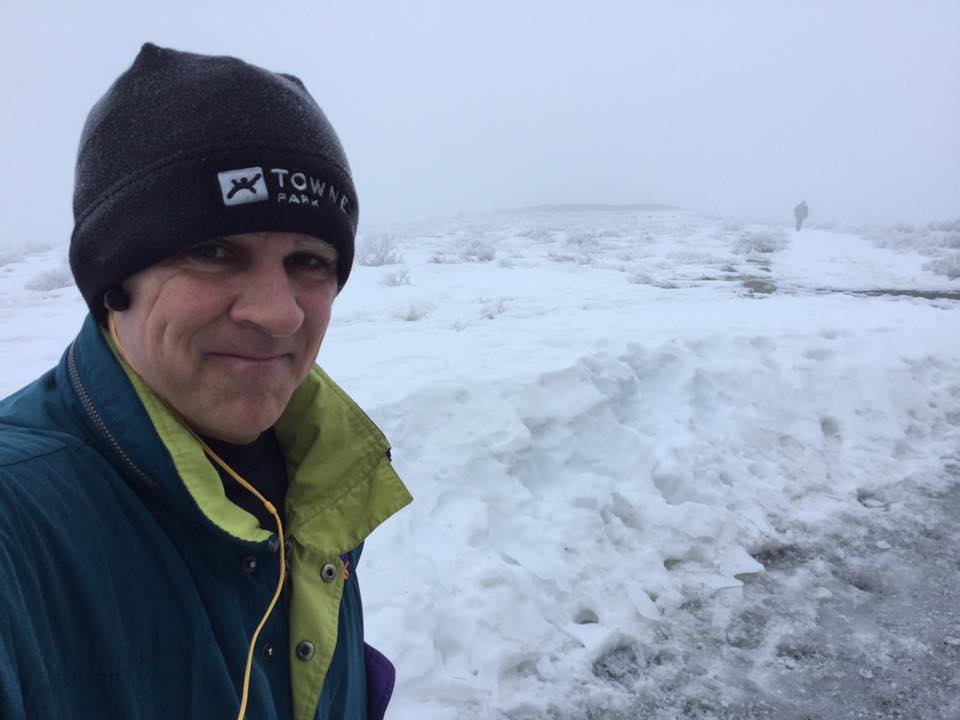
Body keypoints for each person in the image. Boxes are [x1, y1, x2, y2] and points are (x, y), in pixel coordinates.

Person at [0, 43, 412, 720]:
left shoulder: (319, 470)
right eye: (215, 251)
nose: (279, 314)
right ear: (115, 280)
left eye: (309, 261)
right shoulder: (20, 518)